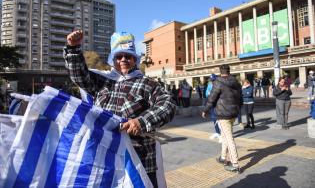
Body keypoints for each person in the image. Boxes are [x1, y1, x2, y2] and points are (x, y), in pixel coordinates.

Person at [64, 30, 176, 187]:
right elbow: (79, 76)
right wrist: (73, 49)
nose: (123, 59)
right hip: (105, 158)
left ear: (134, 60)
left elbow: (168, 104)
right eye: (119, 56)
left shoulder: (147, 83)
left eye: (128, 56)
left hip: (140, 160)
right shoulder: (102, 81)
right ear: (113, 60)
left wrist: (142, 122)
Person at [202, 64, 242, 173]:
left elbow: (212, 98)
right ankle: (223, 157)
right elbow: (240, 98)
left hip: (223, 114)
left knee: (229, 138)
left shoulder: (218, 82)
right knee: (225, 135)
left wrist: (205, 110)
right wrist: (238, 109)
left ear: (220, 72)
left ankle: (235, 164)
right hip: (233, 113)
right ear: (229, 71)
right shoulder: (236, 82)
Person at [204, 74, 221, 142]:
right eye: (211, 80)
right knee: (214, 118)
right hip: (211, 103)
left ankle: (223, 135)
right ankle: (217, 132)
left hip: (218, 105)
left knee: (219, 120)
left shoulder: (219, 85)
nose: (211, 81)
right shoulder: (210, 84)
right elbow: (207, 93)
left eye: (213, 80)